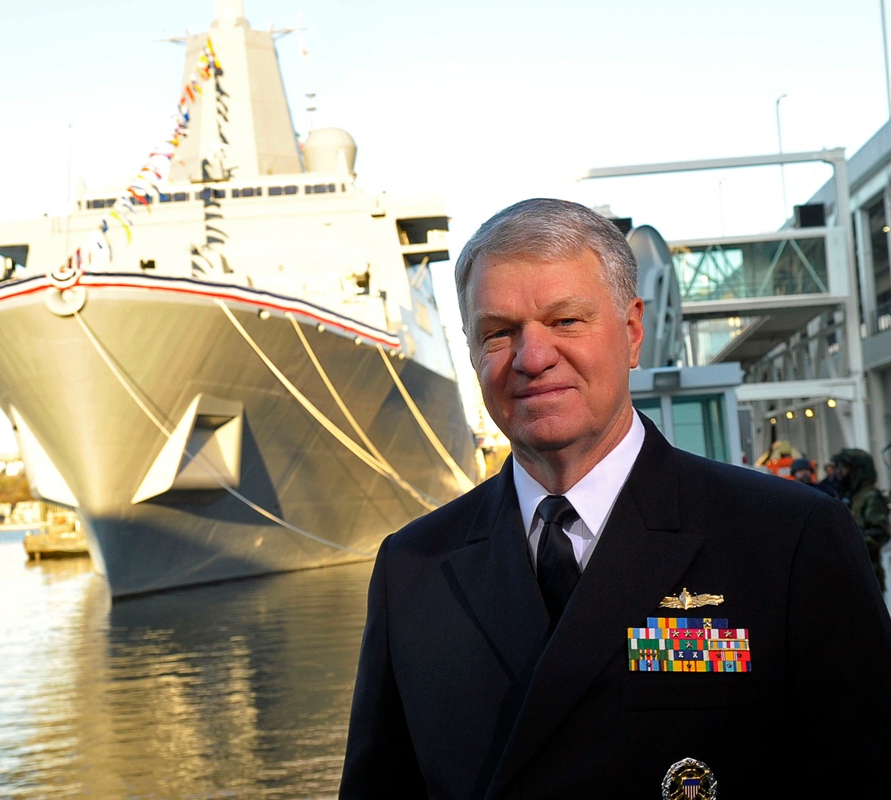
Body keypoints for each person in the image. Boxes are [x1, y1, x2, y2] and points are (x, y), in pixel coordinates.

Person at [339, 198, 891, 798]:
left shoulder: (788, 541)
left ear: (632, 332)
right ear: (471, 350)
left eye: (566, 322)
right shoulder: (412, 569)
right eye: (498, 333)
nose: (531, 357)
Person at [831, 447, 890, 593]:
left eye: (843, 467)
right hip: (849, 573)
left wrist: (849, 547)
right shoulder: (849, 496)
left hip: (868, 573)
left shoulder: (870, 496)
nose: (839, 472)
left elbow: (879, 532)